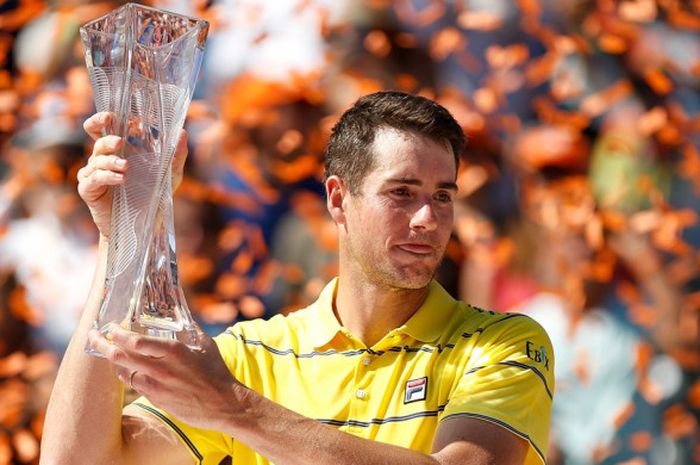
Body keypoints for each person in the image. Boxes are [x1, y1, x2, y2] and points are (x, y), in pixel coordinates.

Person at [40, 91, 554, 465]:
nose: (428, 218)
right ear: (337, 199)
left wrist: (237, 410)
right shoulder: (251, 354)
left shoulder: (503, 342)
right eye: (402, 192)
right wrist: (124, 237)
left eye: (443, 195)